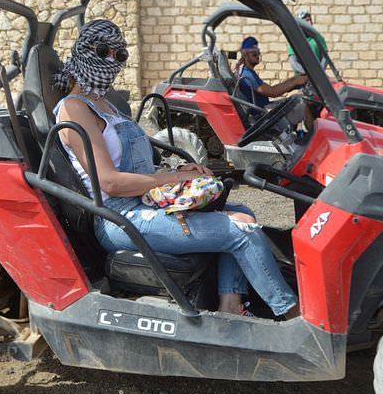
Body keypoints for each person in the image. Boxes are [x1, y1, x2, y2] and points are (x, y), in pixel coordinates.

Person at [54, 20, 298, 319]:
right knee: (243, 232)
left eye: (119, 56)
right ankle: (295, 321)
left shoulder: (106, 104)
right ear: (82, 50)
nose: (111, 62)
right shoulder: (74, 108)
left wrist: (179, 168)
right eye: (103, 51)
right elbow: (111, 182)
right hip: (120, 217)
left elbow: (135, 163)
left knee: (244, 211)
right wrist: (178, 177)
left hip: (144, 202)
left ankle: (230, 308)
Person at [235, 36, 308, 123]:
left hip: (265, 109)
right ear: (245, 55)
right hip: (263, 114)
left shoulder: (248, 72)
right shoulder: (247, 75)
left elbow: (271, 89)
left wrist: (293, 80)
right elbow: (273, 92)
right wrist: (294, 81)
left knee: (298, 98)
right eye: (254, 54)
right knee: (305, 107)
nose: (258, 56)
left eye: (258, 53)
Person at [287, 10, 328, 74]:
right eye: (306, 20)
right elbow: (294, 63)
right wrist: (309, 74)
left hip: (319, 78)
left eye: (310, 20)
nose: (310, 22)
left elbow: (325, 58)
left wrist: (319, 74)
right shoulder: (294, 40)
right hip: (301, 78)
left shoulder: (318, 37)